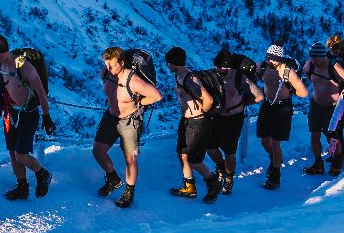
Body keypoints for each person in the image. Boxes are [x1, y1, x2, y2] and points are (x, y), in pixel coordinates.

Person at [93, 47, 163, 208]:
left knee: (129, 158)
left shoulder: (133, 81)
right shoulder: (106, 73)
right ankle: (113, 178)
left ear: (122, 63)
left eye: (112, 65)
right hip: (110, 117)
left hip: (130, 120)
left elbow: (157, 96)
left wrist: (139, 103)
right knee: (98, 151)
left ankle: (129, 191)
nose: (108, 68)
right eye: (106, 65)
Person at [0, 35, 54, 200]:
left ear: (5, 51)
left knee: (21, 154)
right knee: (12, 152)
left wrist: (47, 117)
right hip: (9, 112)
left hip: (27, 113)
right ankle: (22, 186)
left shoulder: (23, 66)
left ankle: (43, 174)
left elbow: (40, 92)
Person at [165, 47, 222, 203]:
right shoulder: (180, 75)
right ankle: (189, 186)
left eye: (168, 62)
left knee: (194, 160)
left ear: (174, 63)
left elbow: (208, 100)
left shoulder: (189, 79)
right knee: (182, 154)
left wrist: (201, 114)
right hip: (187, 121)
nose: (167, 65)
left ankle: (213, 182)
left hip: (198, 123)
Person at [205, 50, 263, 196]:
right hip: (218, 116)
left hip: (234, 118)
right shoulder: (215, 75)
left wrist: (242, 104)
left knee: (230, 151)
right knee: (210, 146)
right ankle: (221, 167)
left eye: (220, 67)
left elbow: (259, 96)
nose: (217, 70)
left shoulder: (239, 77)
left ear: (228, 67)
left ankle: (229, 179)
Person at [255, 45, 307, 190]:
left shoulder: (287, 72)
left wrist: (289, 89)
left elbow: (303, 93)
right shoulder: (264, 67)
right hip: (267, 106)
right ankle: (274, 161)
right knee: (264, 141)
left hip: (283, 107)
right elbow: (258, 76)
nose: (271, 61)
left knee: (275, 143)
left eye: (274, 59)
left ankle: (275, 176)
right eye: (269, 58)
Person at [302, 42, 344, 175]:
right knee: (314, 135)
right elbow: (311, 79)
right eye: (312, 58)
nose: (314, 61)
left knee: (331, 137)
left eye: (316, 58)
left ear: (323, 57)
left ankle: (337, 161)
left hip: (332, 108)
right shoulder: (309, 66)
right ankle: (318, 163)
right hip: (316, 105)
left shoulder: (334, 67)